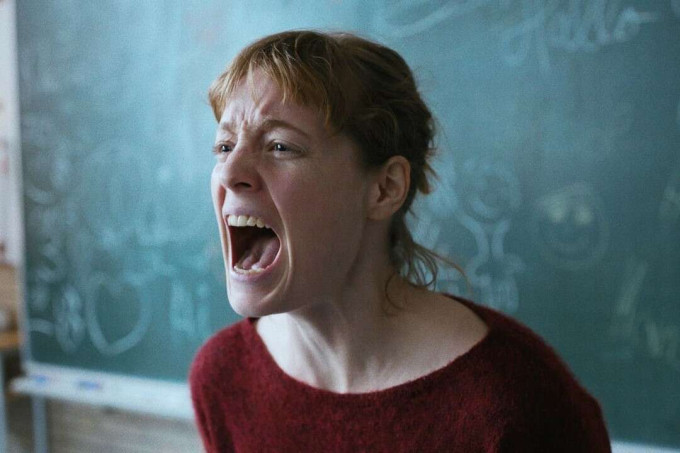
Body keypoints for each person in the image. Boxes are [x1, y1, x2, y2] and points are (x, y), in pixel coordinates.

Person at [190, 30, 611, 452]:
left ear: (385, 188)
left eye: (281, 146)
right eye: (224, 146)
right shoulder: (223, 376)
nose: (229, 172)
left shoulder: (519, 402)